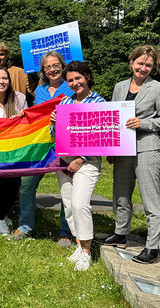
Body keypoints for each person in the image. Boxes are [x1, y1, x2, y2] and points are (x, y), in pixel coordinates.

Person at [99, 45, 160, 265]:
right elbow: (113, 118)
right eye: (140, 63)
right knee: (121, 195)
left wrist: (144, 123)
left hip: (147, 149)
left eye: (148, 65)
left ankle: (152, 246)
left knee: (151, 201)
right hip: (122, 149)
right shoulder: (119, 86)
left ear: (153, 67)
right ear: (131, 63)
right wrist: (111, 148)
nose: (143, 68)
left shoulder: (159, 89)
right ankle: (121, 234)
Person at [9, 51, 74, 242]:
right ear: (43, 71)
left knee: (66, 188)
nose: (52, 70)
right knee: (27, 186)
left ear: (62, 66)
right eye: (48, 67)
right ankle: (25, 226)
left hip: (65, 143)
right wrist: (24, 115)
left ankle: (66, 232)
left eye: (56, 66)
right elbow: (38, 114)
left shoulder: (71, 86)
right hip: (41, 144)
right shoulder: (39, 91)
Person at [50, 61, 106, 271]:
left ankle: (86, 252)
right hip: (65, 160)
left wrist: (80, 159)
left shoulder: (99, 102)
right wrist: (54, 123)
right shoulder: (64, 103)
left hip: (87, 162)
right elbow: (56, 136)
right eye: (70, 80)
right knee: (70, 206)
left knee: (81, 204)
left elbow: (102, 136)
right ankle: (78, 244)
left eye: (78, 78)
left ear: (87, 76)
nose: (75, 83)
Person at [0, 66, 27, 235]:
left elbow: (28, 121)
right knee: (0, 183)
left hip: (15, 150)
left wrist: (23, 117)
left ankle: (5, 212)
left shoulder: (19, 98)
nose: (1, 82)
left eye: (5, 78)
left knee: (14, 184)